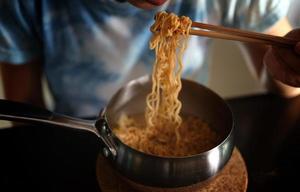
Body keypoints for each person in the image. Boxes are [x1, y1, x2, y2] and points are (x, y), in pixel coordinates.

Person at [0, 0, 299, 118]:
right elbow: (26, 109)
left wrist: (288, 68)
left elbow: (287, 83)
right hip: (79, 141)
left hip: (185, 128)